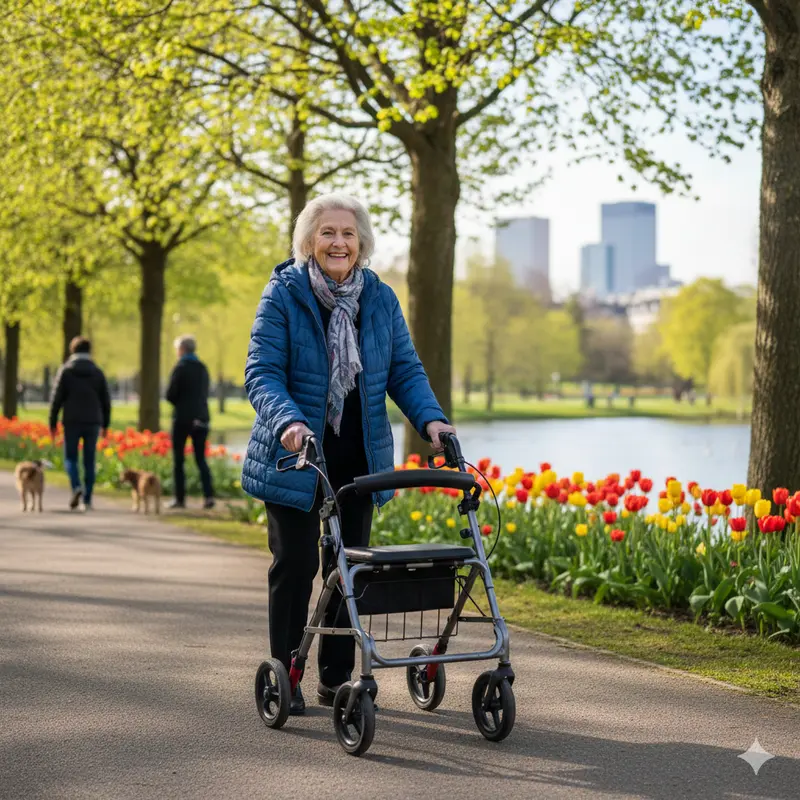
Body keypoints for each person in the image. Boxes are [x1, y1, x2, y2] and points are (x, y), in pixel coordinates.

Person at [242, 193, 456, 716]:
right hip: (295, 453)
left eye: (348, 234)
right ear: (309, 241)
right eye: (327, 233)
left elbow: (405, 370)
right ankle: (287, 671)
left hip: (358, 455)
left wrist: (431, 419)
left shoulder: (380, 298)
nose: (338, 242)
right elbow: (261, 373)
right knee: (294, 565)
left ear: (361, 243)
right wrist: (288, 421)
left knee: (347, 568)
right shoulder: (283, 294)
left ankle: (335, 678)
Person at [48, 336, 111, 511]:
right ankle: (88, 499)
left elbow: (57, 398)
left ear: (72, 351)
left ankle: (76, 486)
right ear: (89, 351)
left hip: (72, 420)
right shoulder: (97, 372)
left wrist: (52, 423)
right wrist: (106, 424)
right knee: (89, 460)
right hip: (93, 421)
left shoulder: (66, 371)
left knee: (71, 458)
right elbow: (106, 400)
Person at [166, 334, 215, 510]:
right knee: (201, 459)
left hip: (182, 418)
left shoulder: (180, 367)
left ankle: (180, 499)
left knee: (179, 460)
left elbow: (170, 394)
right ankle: (209, 496)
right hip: (202, 417)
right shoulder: (203, 368)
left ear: (182, 350)